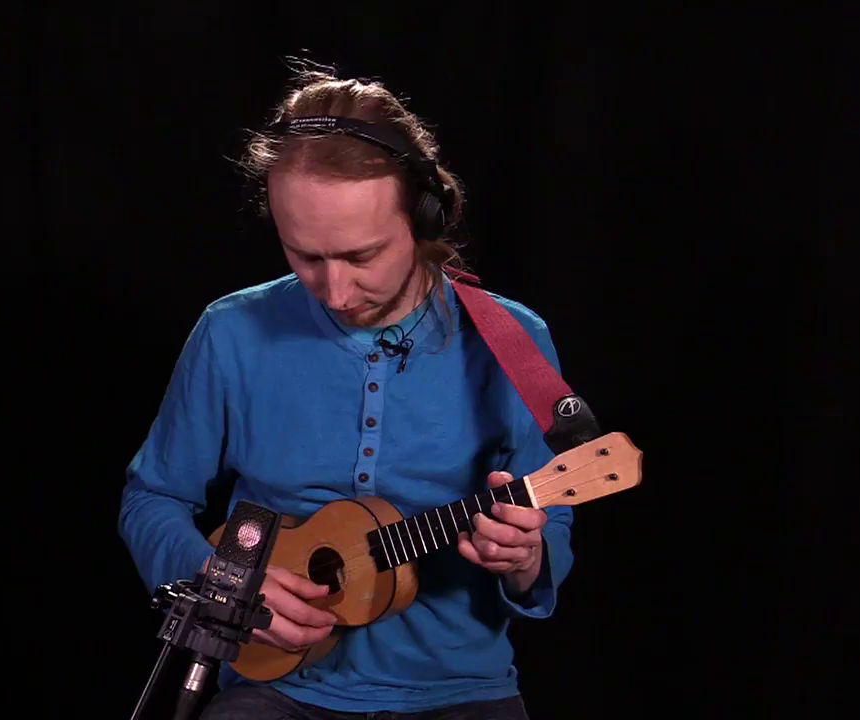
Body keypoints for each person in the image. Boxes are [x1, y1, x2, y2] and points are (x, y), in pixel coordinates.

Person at [118, 65, 575, 720]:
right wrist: (224, 581)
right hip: (276, 689)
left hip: (460, 693)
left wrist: (525, 558)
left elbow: (551, 523)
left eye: (362, 257)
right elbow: (153, 497)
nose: (334, 293)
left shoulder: (514, 342)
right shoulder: (231, 332)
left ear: (423, 216)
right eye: (305, 256)